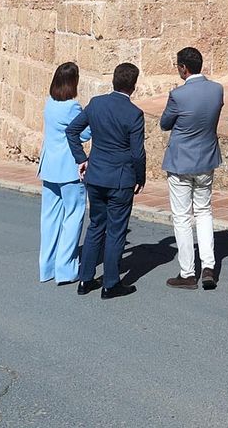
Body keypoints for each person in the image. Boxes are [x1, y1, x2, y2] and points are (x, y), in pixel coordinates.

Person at [68, 62, 146, 299]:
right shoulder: (134, 114)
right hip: (121, 179)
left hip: (96, 175)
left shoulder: (96, 104)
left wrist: (81, 158)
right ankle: (110, 283)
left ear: (113, 81)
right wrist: (140, 177)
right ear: (133, 86)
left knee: (95, 227)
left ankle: (85, 279)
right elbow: (137, 152)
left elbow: (72, 131)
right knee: (115, 231)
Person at [159, 46, 225, 290]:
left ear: (183, 68)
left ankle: (188, 272)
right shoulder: (217, 89)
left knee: (182, 217)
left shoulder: (178, 95)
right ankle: (208, 266)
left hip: (180, 161)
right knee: (204, 211)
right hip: (206, 158)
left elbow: (165, 123)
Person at [38, 62, 90, 284]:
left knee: (49, 218)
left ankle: (46, 267)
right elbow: (85, 133)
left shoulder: (49, 104)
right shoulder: (73, 107)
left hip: (49, 166)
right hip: (69, 168)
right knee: (72, 217)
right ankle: (65, 269)